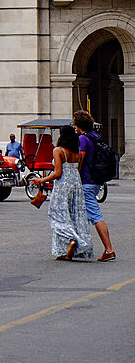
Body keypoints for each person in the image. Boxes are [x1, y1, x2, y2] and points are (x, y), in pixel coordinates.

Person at [29, 125, 93, 261]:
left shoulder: (58, 150)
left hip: (62, 186)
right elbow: (77, 170)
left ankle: (72, 239)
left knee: (57, 215)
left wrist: (41, 180)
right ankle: (67, 249)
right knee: (75, 215)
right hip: (76, 185)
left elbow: (58, 173)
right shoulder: (77, 153)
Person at [74, 110, 116, 261]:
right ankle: (78, 246)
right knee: (82, 215)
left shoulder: (83, 139)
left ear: (79, 125)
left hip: (87, 181)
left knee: (95, 216)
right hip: (96, 181)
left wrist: (76, 176)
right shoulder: (96, 136)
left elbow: (81, 158)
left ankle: (109, 249)